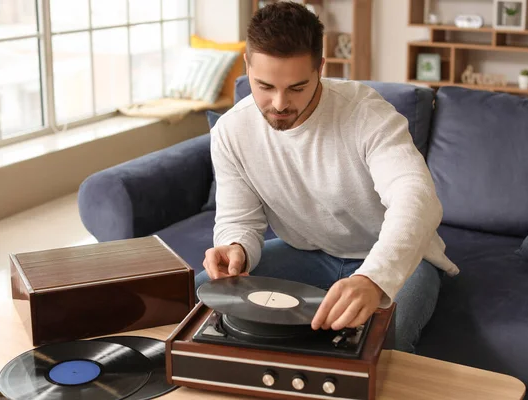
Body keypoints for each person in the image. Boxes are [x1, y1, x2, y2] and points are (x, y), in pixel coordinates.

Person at [195, 1, 459, 353]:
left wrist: (372, 277)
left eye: (297, 87)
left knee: (382, 347)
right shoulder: (231, 131)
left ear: (321, 67)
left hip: (396, 258)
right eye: (265, 85)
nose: (279, 103)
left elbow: (417, 198)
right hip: (305, 254)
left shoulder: (367, 113)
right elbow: (239, 220)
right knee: (198, 304)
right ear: (247, 65)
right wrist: (235, 248)